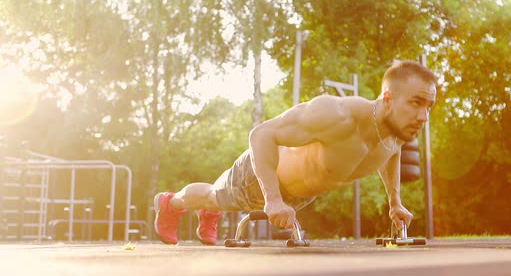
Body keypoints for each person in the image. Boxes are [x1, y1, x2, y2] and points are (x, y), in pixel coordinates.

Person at [153, 60, 437, 245]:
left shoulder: (397, 129)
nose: (423, 116)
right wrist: (273, 198)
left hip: (298, 197)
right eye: (416, 103)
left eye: (428, 107)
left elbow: (390, 154)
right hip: (262, 177)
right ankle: (170, 203)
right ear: (387, 98)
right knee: (212, 196)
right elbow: (261, 134)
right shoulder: (337, 114)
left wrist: (394, 202)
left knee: (216, 200)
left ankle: (209, 211)